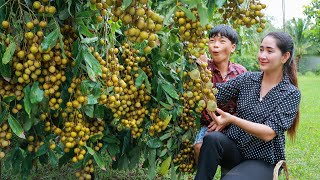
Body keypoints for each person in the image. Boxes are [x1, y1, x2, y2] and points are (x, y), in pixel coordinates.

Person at [194, 32, 301, 180]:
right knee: (212, 140)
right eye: (261, 49)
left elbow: (268, 133)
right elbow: (214, 94)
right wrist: (202, 69)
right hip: (237, 150)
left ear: (284, 56)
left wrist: (231, 119)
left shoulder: (290, 93)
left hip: (263, 160)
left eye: (269, 51)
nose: (262, 55)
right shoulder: (247, 79)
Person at [194, 25, 246, 165]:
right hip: (210, 125)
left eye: (222, 41)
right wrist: (202, 69)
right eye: (212, 41)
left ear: (233, 47)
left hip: (235, 124)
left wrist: (229, 119)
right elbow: (203, 98)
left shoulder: (240, 72)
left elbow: (246, 104)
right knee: (199, 146)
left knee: (234, 160)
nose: (215, 45)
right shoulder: (202, 67)